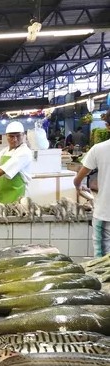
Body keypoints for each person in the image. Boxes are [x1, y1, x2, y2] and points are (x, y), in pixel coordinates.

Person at [74, 109, 110, 257]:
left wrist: (79, 186)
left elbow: (79, 178)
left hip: (105, 214)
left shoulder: (99, 149)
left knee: (101, 263)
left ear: (107, 126)